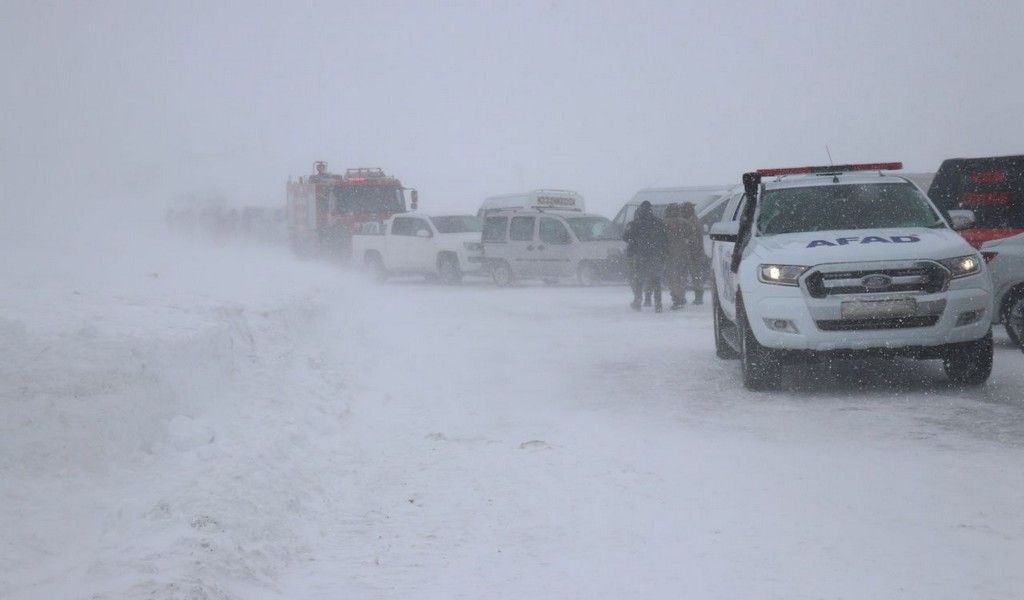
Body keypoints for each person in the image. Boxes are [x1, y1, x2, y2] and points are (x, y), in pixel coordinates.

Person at [623, 200, 668, 312]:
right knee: (656, 280)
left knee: (639, 280)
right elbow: (665, 239)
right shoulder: (659, 222)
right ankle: (658, 305)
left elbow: (625, 237)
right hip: (655, 255)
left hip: (640, 255)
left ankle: (638, 302)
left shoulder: (634, 224)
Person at [664, 202, 705, 309]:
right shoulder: (688, 222)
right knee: (684, 276)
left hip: (675, 255)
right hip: (686, 254)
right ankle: (683, 297)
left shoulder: (665, 223)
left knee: (676, 277)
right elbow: (694, 239)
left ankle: (678, 297)